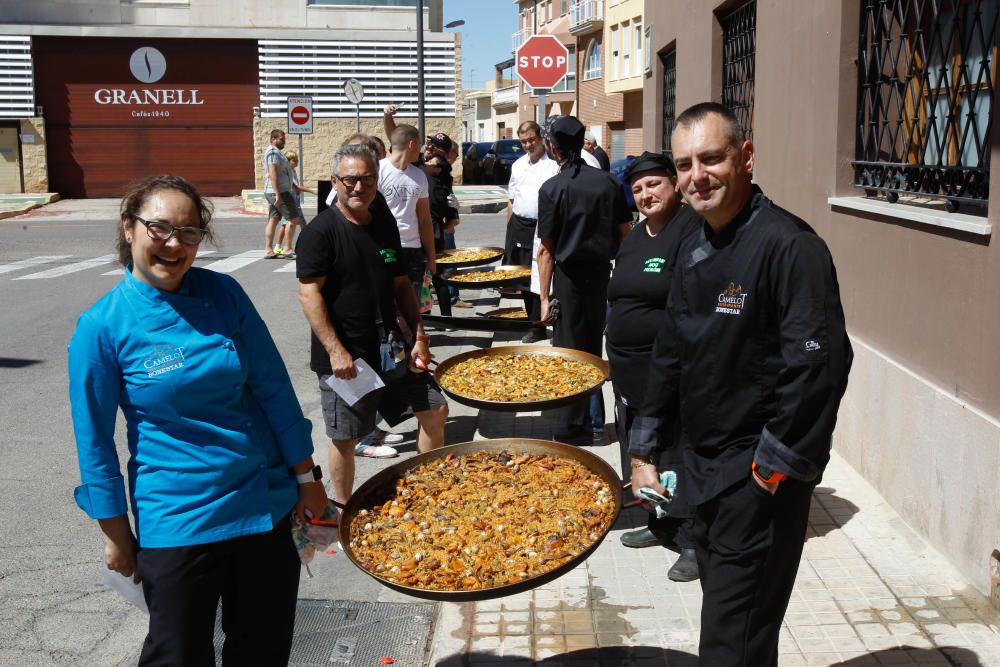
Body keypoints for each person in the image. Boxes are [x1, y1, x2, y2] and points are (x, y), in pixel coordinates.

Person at [69, 175, 327, 666]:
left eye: (188, 233)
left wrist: (306, 478)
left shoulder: (224, 293)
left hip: (263, 506)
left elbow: (273, 389)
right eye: (159, 228)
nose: (174, 244)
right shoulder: (102, 327)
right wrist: (115, 533)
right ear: (129, 228)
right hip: (179, 520)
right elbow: (95, 443)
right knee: (178, 655)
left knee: (263, 651)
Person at [629, 103, 853, 665]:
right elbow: (671, 351)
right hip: (704, 467)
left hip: (756, 477)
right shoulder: (696, 243)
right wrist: (643, 448)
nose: (696, 176)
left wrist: (769, 473)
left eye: (711, 158)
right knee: (730, 625)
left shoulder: (789, 246)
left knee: (736, 637)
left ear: (745, 157)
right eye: (684, 164)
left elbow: (819, 369)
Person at [297, 143, 448, 504]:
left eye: (367, 179)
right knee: (346, 437)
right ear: (335, 181)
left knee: (434, 409)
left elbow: (399, 284)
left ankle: (431, 488)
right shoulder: (320, 233)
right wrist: (336, 351)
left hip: (392, 346)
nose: (358, 187)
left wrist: (419, 335)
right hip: (346, 355)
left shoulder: (382, 223)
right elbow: (309, 295)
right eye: (349, 179)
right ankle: (346, 508)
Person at [606, 151, 700, 581]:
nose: (645, 194)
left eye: (654, 185)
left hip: (669, 370)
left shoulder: (691, 230)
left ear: (675, 185)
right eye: (638, 188)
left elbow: (691, 306)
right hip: (627, 370)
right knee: (644, 452)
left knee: (678, 451)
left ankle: (695, 539)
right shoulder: (636, 235)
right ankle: (660, 523)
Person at [536, 115, 632, 446]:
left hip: (568, 278)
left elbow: (545, 252)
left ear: (552, 147)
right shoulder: (610, 183)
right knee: (593, 347)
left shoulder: (552, 188)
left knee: (567, 352)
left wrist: (544, 297)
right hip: (601, 275)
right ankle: (594, 421)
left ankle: (571, 425)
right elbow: (625, 233)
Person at [505, 120, 559, 344]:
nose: (528, 145)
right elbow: (511, 198)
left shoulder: (553, 166)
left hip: (543, 227)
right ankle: (534, 324)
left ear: (541, 139)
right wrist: (510, 230)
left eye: (531, 140)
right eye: (524, 141)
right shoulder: (517, 165)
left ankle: (548, 320)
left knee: (543, 277)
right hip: (519, 225)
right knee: (525, 279)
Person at [379, 120, 436, 300]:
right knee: (386, 304)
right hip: (385, 247)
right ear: (411, 143)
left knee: (411, 307)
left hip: (412, 250)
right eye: (419, 144)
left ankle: (410, 329)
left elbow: (425, 219)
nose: (420, 149)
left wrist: (431, 258)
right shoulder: (378, 170)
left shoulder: (419, 176)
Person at [262, 129, 302, 259]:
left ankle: (269, 250)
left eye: (284, 139)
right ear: (273, 139)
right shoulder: (273, 152)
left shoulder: (275, 152)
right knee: (294, 219)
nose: (284, 141)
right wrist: (278, 194)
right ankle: (288, 249)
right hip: (279, 192)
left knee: (273, 220)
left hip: (276, 191)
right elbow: (272, 172)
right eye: (281, 139)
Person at [272, 149, 317, 259]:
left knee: (285, 224)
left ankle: (278, 246)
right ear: (287, 161)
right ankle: (307, 247)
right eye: (294, 160)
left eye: (297, 160)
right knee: (303, 226)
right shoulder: (288, 172)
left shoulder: (292, 171)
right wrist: (312, 191)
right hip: (291, 202)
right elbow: (296, 186)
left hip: (292, 201)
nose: (296, 162)